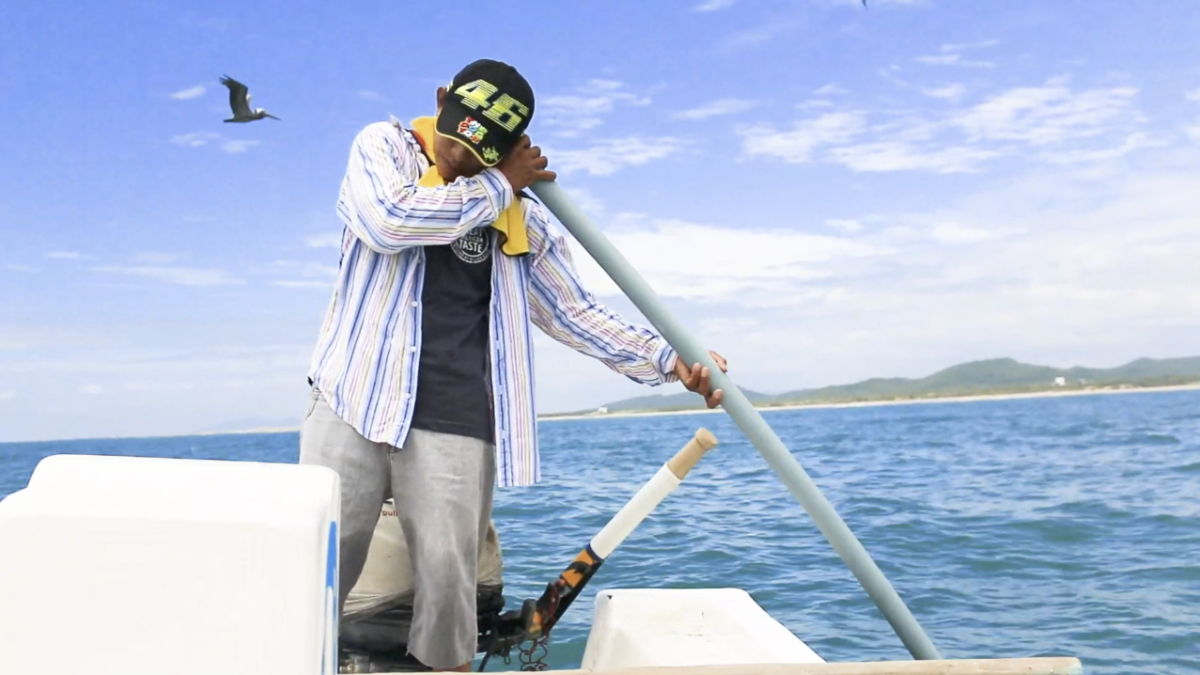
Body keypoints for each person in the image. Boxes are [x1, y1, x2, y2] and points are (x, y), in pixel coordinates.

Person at [298, 58, 727, 672]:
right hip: (351, 397)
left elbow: (575, 314)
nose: (457, 157)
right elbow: (389, 222)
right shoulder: (384, 147)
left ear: (506, 150)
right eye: (454, 136)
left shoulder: (521, 219)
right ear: (442, 100)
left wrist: (670, 360)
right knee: (319, 563)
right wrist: (498, 183)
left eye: (481, 152)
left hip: (453, 417)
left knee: (450, 584)